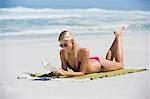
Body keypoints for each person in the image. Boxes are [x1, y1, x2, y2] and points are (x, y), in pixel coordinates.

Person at [57, 26, 125, 77]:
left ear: (72, 41)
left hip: (101, 65)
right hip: (91, 63)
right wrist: (58, 72)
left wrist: (65, 73)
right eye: (61, 45)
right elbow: (64, 70)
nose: (63, 47)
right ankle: (116, 37)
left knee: (120, 64)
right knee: (108, 60)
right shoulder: (62, 53)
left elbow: (82, 73)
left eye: (65, 45)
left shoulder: (84, 51)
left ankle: (118, 37)